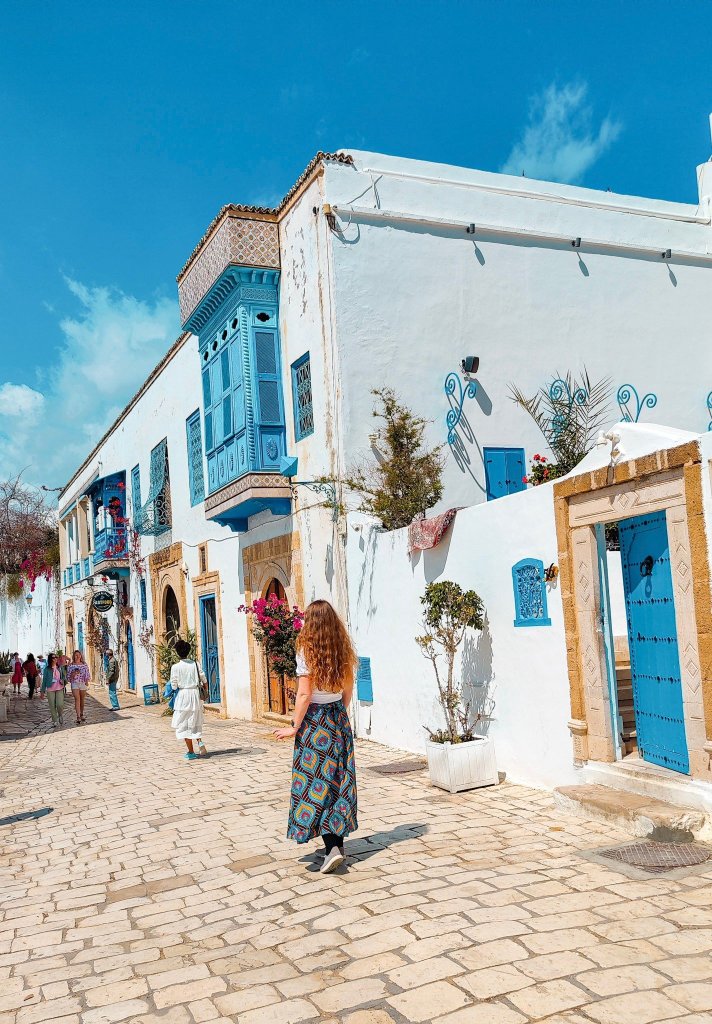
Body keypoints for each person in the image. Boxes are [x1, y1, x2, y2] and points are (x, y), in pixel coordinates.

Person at [274, 599, 358, 874]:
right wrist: (339, 716)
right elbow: (348, 689)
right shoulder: (342, 648)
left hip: (314, 722)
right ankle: (337, 845)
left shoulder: (306, 650)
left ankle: (332, 847)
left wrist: (294, 726)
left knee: (315, 783)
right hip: (337, 719)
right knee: (338, 781)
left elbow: (304, 694)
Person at [169, 639, 208, 760]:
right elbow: (203, 678)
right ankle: (200, 742)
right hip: (195, 694)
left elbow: (174, 685)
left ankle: (191, 752)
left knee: (184, 723)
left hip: (183, 695)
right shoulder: (196, 664)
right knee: (195, 719)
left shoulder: (175, 667)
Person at [67, 650, 91, 725]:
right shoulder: (71, 665)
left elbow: (87, 674)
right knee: (77, 699)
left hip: (83, 683)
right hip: (75, 684)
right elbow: (68, 678)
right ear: (74, 656)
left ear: (81, 656)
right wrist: (73, 674)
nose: (77, 656)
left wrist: (87, 681)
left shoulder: (84, 664)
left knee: (82, 699)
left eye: (78, 655)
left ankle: (81, 714)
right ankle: (78, 716)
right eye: (76, 655)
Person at [41, 654, 64, 728]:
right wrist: (42, 691)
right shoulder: (47, 669)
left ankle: (60, 715)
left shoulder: (60, 668)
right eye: (54, 657)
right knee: (52, 706)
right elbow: (44, 680)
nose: (56, 659)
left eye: (56, 657)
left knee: (59, 704)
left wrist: (63, 680)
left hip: (59, 688)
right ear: (50, 659)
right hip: (50, 689)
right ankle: (54, 720)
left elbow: (64, 677)